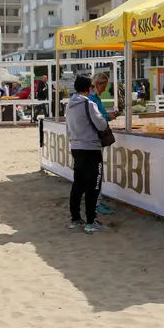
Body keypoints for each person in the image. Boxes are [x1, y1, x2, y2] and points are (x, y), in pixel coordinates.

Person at [66, 75, 108, 234]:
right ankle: (91, 220)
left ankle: (75, 218)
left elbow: (68, 129)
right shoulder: (88, 104)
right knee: (93, 185)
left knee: (78, 184)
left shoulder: (69, 105)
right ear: (89, 88)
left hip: (76, 146)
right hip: (91, 148)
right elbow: (102, 124)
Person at [88, 73, 118, 215]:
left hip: (90, 140)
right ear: (98, 84)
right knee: (97, 173)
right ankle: (96, 203)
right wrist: (108, 116)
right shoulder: (92, 100)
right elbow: (99, 118)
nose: (105, 89)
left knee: (92, 173)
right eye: (104, 86)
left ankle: (95, 201)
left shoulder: (93, 99)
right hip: (95, 139)